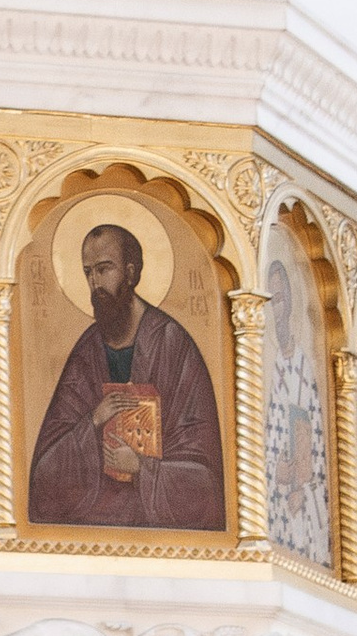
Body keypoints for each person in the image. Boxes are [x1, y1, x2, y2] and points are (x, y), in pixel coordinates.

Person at [26, 216, 226, 529]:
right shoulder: (87, 350)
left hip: (160, 528)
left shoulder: (173, 345)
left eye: (104, 269)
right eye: (88, 272)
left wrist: (141, 468)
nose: (95, 283)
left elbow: (206, 479)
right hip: (94, 522)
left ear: (130, 272)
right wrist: (93, 422)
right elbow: (44, 475)